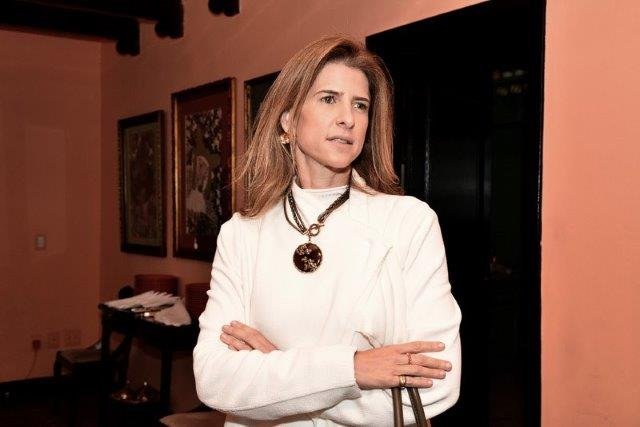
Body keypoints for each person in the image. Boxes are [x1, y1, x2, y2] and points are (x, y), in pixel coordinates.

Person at [193, 35, 462, 426]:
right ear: (287, 120)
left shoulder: (409, 223)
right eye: (329, 99)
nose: (348, 118)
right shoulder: (242, 233)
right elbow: (214, 379)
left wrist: (275, 373)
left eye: (360, 105)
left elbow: (435, 385)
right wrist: (354, 370)